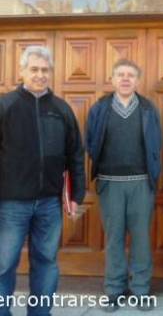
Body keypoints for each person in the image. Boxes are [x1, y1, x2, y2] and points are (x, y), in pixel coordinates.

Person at [0, 46, 85, 316]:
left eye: (45, 70)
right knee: (3, 264)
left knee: (46, 262)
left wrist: (76, 196)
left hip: (49, 203)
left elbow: (75, 155)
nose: (39, 75)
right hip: (11, 203)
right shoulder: (5, 106)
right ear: (22, 71)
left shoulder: (61, 109)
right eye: (34, 69)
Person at [86, 59, 162, 312]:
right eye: (120, 74)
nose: (126, 79)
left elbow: (155, 145)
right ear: (112, 79)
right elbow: (90, 140)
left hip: (141, 183)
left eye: (130, 75)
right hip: (110, 184)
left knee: (141, 239)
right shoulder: (100, 108)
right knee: (114, 239)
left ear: (137, 80)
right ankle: (114, 290)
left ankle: (141, 290)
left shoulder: (149, 109)